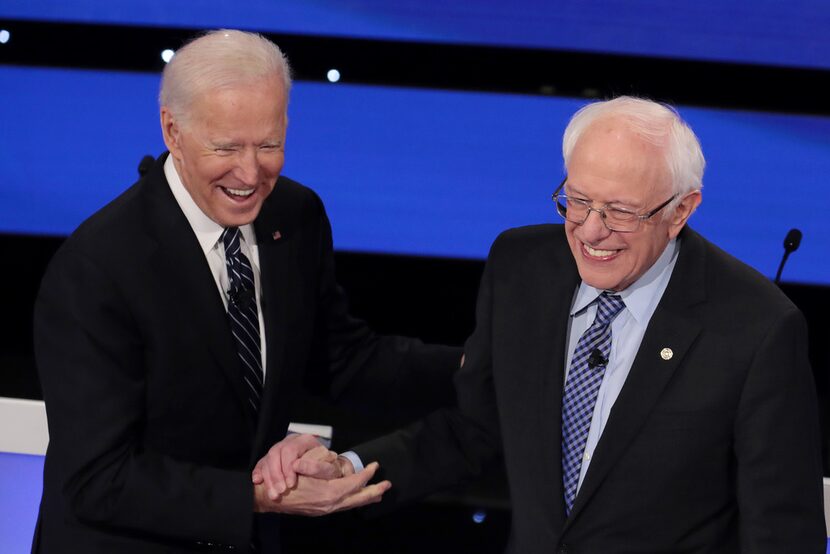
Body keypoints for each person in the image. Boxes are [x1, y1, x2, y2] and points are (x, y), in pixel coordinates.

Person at [259, 96, 827, 553]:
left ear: (682, 209)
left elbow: (781, 531)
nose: (591, 231)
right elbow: (475, 428)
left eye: (622, 212)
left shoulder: (756, 328)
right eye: (576, 201)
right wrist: (349, 467)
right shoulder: (522, 267)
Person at [32, 29, 460, 553]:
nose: (251, 173)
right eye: (227, 147)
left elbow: (340, 358)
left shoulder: (294, 216)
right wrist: (256, 497)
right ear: (173, 131)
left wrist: (473, 366)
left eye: (269, 144)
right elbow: (97, 480)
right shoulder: (98, 269)